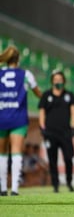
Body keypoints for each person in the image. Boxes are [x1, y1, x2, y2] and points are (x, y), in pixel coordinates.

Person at [0, 45, 42, 196]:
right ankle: (15, 189)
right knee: (16, 152)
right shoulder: (25, 74)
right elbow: (38, 93)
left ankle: (3, 188)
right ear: (18, 59)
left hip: (1, 116)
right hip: (18, 118)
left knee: (2, 153)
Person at [38, 70, 74, 193]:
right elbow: (41, 113)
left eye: (60, 80)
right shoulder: (46, 95)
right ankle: (55, 185)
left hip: (65, 133)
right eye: (55, 80)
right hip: (50, 133)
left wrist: (73, 127)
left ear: (64, 81)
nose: (58, 82)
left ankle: (69, 182)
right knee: (52, 160)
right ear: (52, 81)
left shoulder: (69, 95)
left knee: (68, 158)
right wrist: (42, 128)